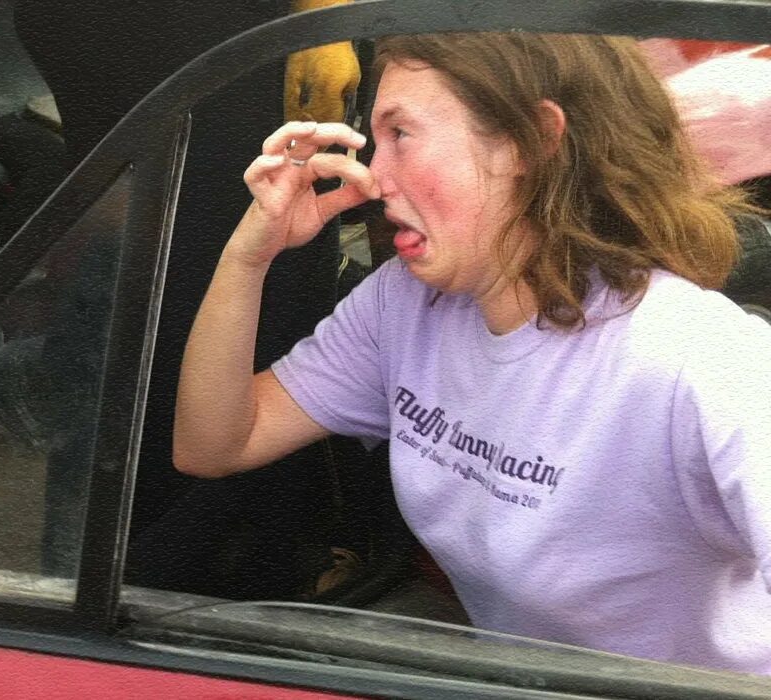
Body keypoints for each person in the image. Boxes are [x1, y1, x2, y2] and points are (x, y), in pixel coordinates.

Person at [173, 32, 771, 674]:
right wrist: (248, 256)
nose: (375, 178)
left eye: (401, 134)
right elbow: (215, 445)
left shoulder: (696, 356)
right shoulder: (403, 307)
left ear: (533, 141)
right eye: (375, 141)